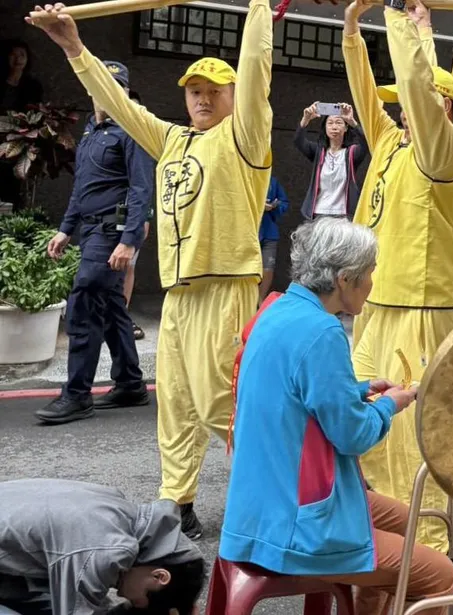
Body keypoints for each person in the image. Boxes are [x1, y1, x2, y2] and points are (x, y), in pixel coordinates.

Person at [28, 0, 273, 540]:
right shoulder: (173, 139)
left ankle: (277, 494)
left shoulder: (245, 138)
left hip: (225, 284)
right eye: (195, 91)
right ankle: (176, 502)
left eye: (215, 90)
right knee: (177, 406)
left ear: (234, 97)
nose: (204, 99)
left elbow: (257, 71)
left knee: (219, 403)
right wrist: (72, 46)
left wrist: (258, 9)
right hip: (181, 294)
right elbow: (120, 103)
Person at [221, 218, 453, 615]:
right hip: (297, 520)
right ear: (345, 280)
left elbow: (295, 391)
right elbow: (352, 435)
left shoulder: (276, 310)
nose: (372, 283)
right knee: (438, 574)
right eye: (370, 274)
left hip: (259, 504)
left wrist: (355, 390)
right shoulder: (323, 332)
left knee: (406, 520)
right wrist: (389, 404)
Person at [342, 0, 453, 553]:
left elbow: (427, 103)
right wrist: (356, 29)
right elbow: (368, 94)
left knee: (412, 439)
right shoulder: (390, 142)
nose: (402, 110)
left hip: (424, 314)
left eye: (413, 101)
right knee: (362, 425)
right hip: (375, 307)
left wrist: (403, 20)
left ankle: (430, 546)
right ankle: (382, 532)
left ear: (442, 106)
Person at [37, 60, 152, 425]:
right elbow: (81, 189)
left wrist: (129, 239)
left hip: (110, 234)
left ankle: (77, 394)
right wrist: (64, 228)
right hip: (88, 231)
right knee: (112, 307)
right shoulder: (90, 134)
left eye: (115, 86)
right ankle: (131, 384)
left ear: (123, 91)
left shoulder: (131, 131)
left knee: (84, 304)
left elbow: (140, 190)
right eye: (101, 85)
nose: (107, 92)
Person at [0, 478, 204, 615]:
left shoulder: (122, 514)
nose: (122, 596)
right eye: (136, 601)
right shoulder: (107, 550)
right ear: (159, 576)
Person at [295, 102, 367, 220]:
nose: (334, 127)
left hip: (342, 215)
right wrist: (305, 119)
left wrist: (353, 122)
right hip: (318, 213)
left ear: (346, 127)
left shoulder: (351, 153)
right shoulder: (318, 151)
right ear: (325, 128)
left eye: (339, 123)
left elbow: (367, 143)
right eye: (330, 123)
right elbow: (298, 141)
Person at [0, 40, 43, 210]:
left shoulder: (32, 85)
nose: (18, 59)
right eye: (14, 55)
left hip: (21, 142)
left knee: (14, 188)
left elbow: (37, 113)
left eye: (22, 55)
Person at [122, 89, 151, 341]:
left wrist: (145, 216)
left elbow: (145, 185)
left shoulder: (143, 140)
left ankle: (122, 313)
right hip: (106, 216)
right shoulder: (104, 136)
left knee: (129, 266)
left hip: (134, 214)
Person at [259, 176, 290, 301]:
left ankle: (260, 300)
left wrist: (274, 206)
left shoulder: (272, 181)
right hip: (248, 232)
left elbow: (284, 202)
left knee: (268, 268)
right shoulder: (243, 177)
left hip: (269, 231)